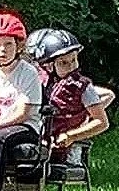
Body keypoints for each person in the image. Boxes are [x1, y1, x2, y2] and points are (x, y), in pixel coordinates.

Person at [0, 9, 43, 191]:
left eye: (8, 44)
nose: (2, 50)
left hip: (26, 127)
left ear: (18, 46)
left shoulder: (28, 72)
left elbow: (23, 113)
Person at [35, 28, 110, 161]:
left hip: (64, 148)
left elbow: (101, 122)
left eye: (74, 60)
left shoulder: (83, 87)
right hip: (38, 140)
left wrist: (71, 136)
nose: (71, 67)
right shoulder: (42, 82)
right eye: (63, 62)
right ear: (49, 66)